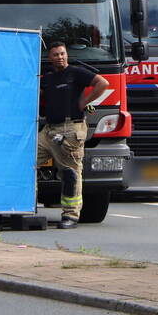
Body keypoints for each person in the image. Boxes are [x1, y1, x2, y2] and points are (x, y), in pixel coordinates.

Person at [36, 42, 109, 229]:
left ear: (66, 55)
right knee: (26, 164)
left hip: (70, 130)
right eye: (56, 55)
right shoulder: (47, 78)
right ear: (49, 58)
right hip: (48, 130)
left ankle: (70, 215)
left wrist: (85, 101)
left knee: (70, 173)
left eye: (62, 54)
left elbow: (103, 83)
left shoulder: (76, 73)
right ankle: (27, 206)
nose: (60, 57)